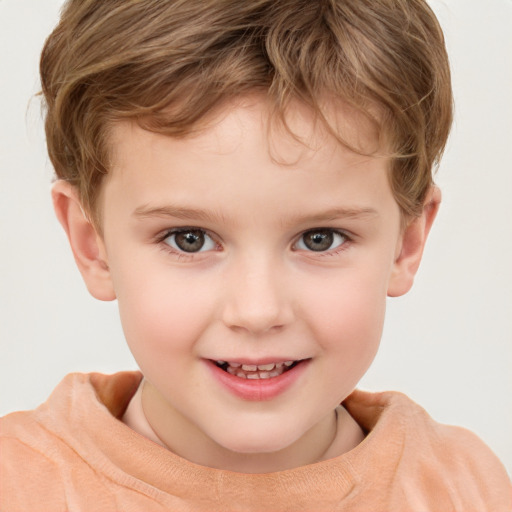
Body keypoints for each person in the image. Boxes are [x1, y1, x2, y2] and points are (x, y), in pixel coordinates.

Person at [1, 0, 510, 509]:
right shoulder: (18, 484)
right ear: (93, 244)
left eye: (320, 238)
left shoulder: (464, 487)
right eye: (189, 239)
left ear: (408, 241)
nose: (257, 310)